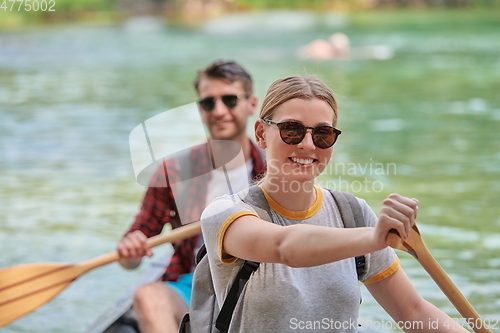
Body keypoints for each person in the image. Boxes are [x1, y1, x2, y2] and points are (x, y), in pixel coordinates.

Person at [200, 75, 470, 332]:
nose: (307, 144)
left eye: (322, 134)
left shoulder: (352, 214)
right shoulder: (225, 213)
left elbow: (413, 313)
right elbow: (285, 247)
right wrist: (374, 238)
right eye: (291, 130)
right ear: (261, 133)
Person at [117, 60, 266, 333]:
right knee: (147, 296)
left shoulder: (276, 172)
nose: (219, 111)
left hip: (261, 286)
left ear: (251, 104)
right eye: (209, 103)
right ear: (200, 109)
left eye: (230, 100)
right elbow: (131, 258)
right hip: (194, 285)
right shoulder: (173, 172)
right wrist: (131, 249)